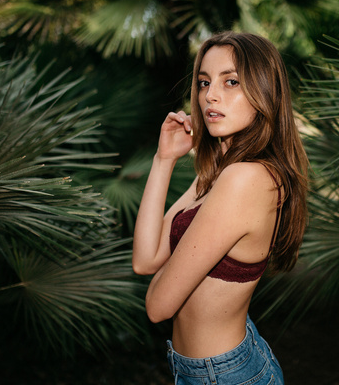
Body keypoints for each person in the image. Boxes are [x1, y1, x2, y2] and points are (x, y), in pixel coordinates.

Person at [132, 31, 308, 384]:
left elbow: (157, 305)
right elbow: (146, 259)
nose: (210, 95)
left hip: (224, 375)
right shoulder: (221, 172)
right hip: (211, 366)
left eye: (231, 81)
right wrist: (163, 159)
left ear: (265, 91)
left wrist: (167, 275)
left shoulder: (245, 179)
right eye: (203, 82)